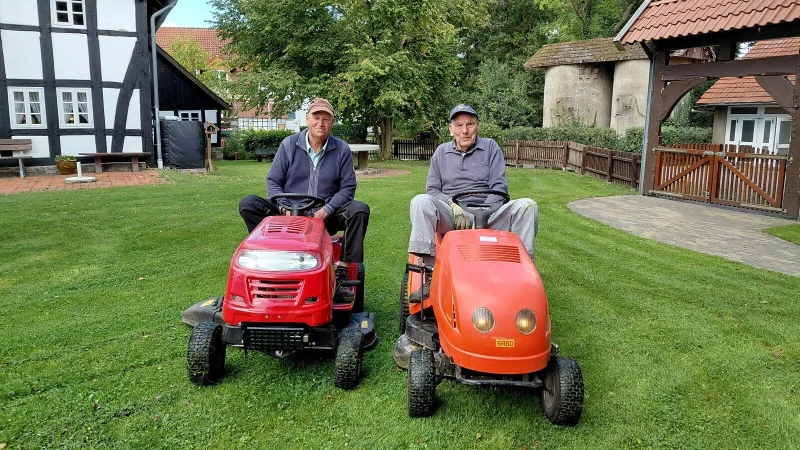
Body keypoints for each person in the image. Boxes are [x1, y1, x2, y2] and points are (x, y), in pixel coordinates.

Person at [239, 97, 370, 302]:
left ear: (332, 122)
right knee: (248, 204)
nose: (320, 123)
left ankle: (342, 274)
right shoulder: (289, 145)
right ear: (307, 119)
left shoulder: (341, 149)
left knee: (359, 209)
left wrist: (326, 210)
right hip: (286, 216)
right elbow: (273, 181)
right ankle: (268, 255)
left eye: (326, 119)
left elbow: (347, 188)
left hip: (324, 216)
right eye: (316, 118)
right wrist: (284, 209)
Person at [407, 104, 538, 300]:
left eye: (470, 124)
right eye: (459, 125)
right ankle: (429, 273)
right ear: (451, 129)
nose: (465, 130)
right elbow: (432, 190)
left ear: (477, 126)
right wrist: (453, 205)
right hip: (453, 215)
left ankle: (523, 273)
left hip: (489, 213)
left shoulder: (490, 147)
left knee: (527, 206)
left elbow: (499, 187)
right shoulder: (441, 153)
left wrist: (481, 213)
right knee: (420, 201)